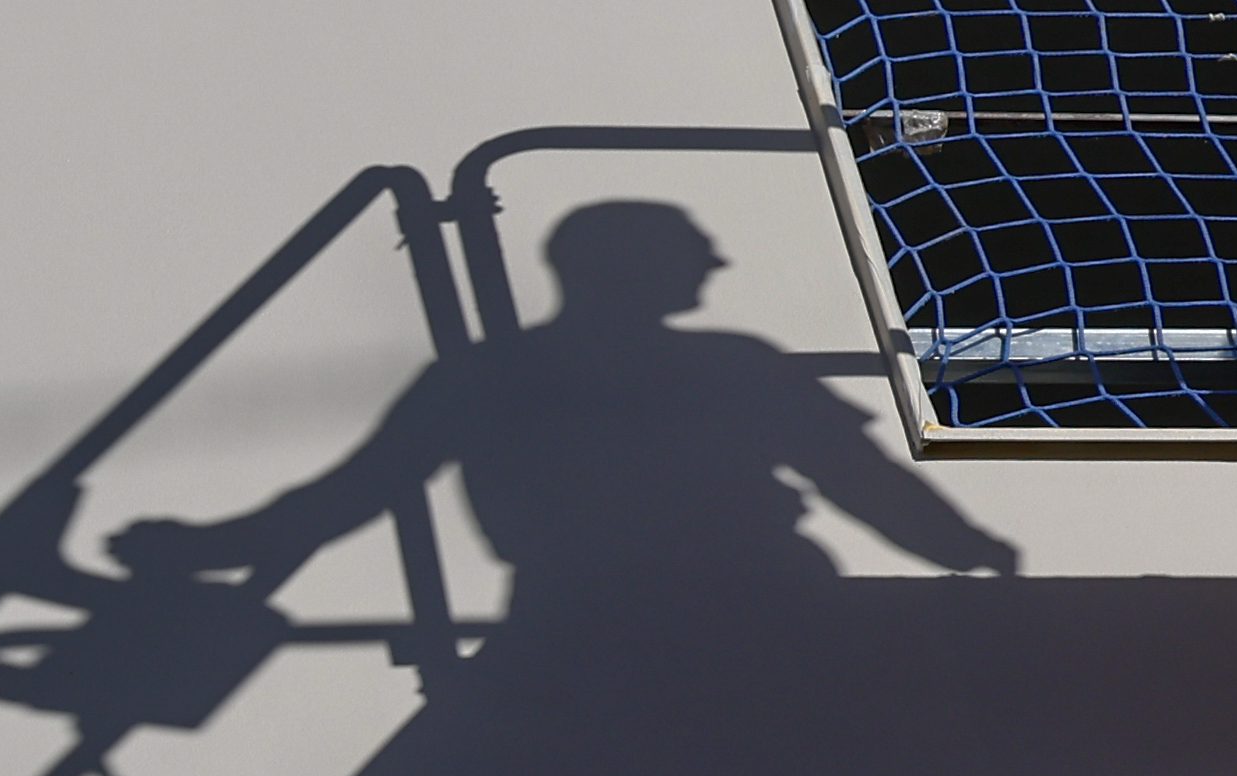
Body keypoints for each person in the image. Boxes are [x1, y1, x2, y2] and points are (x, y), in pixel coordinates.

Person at [106, 201, 1018, 640]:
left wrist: (200, 549)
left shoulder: (482, 375)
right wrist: (975, 557)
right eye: (693, 248)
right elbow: (858, 478)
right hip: (757, 611)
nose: (717, 260)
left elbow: (352, 494)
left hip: (582, 627)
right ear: (633, 266)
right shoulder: (733, 363)